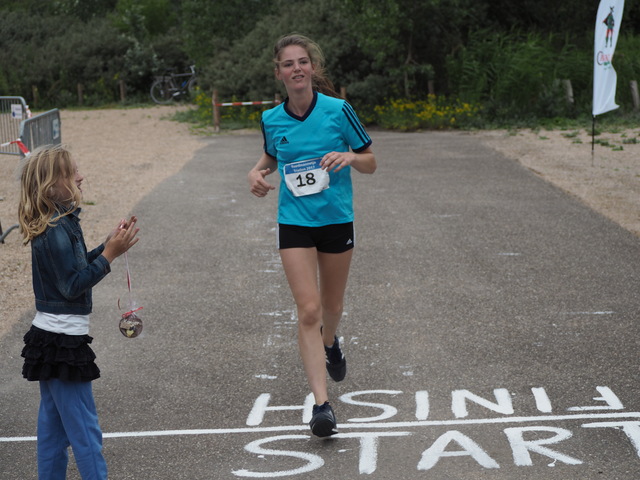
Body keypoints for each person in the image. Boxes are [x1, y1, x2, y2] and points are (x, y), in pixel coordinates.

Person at [248, 34, 376, 437]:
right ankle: (321, 406)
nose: (297, 69)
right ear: (279, 73)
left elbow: (371, 162)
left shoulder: (339, 111)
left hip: (336, 220)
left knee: (331, 307)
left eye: (303, 62)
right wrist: (257, 171)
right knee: (308, 310)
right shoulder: (271, 119)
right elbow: (273, 154)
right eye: (289, 64)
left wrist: (351, 157)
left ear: (313, 68)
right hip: (295, 222)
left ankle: (331, 341)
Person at [18, 144, 140, 479]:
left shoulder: (60, 221)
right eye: (72, 172)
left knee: (54, 434)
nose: (81, 176)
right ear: (51, 185)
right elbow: (72, 286)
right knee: (85, 433)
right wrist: (110, 256)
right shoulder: (56, 228)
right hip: (62, 345)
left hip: (52, 341)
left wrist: (108, 245)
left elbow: (74, 268)